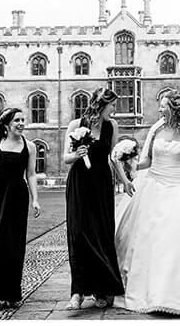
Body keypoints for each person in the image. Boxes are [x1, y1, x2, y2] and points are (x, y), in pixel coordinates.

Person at [114, 90, 180, 316]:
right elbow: (147, 161)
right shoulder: (157, 130)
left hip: (178, 191)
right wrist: (129, 161)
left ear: (174, 109)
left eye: (163, 106)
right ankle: (153, 292)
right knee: (151, 241)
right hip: (153, 190)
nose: (159, 109)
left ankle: (178, 294)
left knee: (177, 242)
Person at [64, 87, 134, 310]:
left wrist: (125, 180)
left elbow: (113, 157)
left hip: (102, 183)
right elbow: (66, 157)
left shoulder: (111, 125)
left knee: (102, 234)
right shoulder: (76, 125)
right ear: (101, 104)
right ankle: (77, 291)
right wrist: (77, 155)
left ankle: (101, 289)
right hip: (79, 182)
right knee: (79, 234)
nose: (114, 109)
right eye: (112, 105)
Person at [0, 108, 41, 305]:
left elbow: (30, 174)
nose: (22, 123)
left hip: (16, 197)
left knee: (12, 245)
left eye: (23, 120)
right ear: (6, 124)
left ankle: (11, 293)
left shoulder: (29, 146)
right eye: (17, 120)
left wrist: (35, 199)